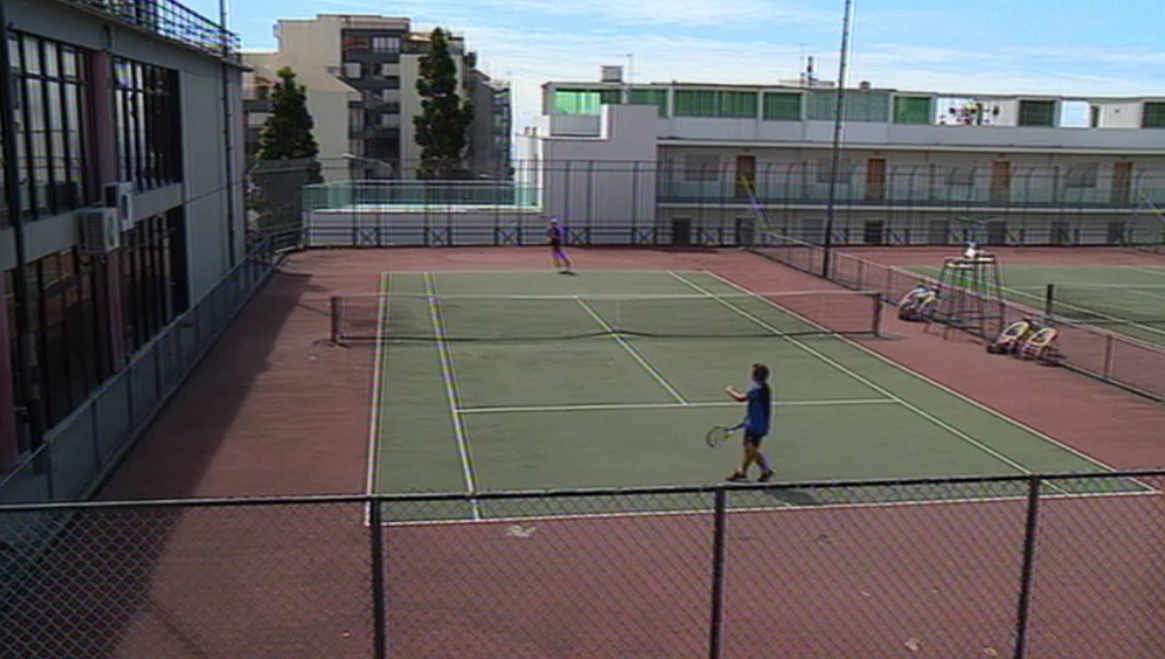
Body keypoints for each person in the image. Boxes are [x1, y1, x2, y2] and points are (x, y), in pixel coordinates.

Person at [725, 363, 775, 483]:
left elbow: (740, 399)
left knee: (751, 449)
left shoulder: (757, 390)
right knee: (748, 449)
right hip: (756, 423)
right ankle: (741, 471)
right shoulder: (764, 388)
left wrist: (730, 391)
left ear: (754, 376)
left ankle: (766, 470)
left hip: (756, 425)